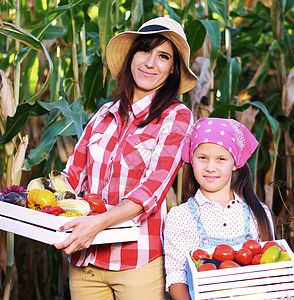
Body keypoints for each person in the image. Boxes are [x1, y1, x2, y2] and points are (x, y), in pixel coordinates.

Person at [53, 17, 198, 300]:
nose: (150, 62)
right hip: (86, 263)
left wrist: (98, 223)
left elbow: (151, 191)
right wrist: (17, 199)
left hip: (138, 263)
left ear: (172, 70)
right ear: (131, 57)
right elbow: (71, 177)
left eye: (163, 56)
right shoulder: (104, 114)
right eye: (144, 50)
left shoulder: (176, 117)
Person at [164, 117, 276, 299]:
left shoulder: (258, 212)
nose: (210, 167)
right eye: (202, 158)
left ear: (235, 163)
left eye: (221, 159)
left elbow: (270, 271)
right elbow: (177, 278)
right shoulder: (179, 217)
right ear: (191, 160)